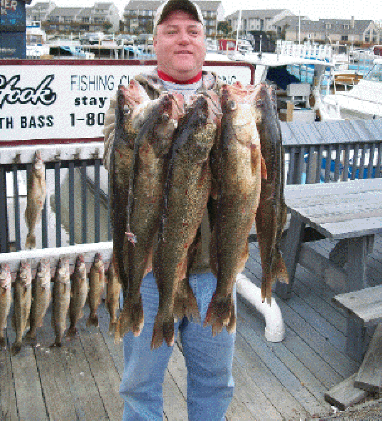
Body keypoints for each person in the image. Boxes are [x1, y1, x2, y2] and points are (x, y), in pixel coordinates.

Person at [103, 1, 235, 420]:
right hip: (145, 270)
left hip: (213, 269)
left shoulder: (230, 103)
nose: (183, 38)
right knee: (139, 387)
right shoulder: (130, 101)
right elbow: (116, 163)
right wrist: (150, 126)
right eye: (171, 30)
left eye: (192, 30)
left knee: (215, 383)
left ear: (205, 42)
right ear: (155, 41)